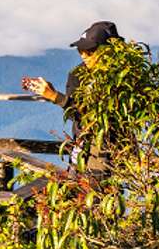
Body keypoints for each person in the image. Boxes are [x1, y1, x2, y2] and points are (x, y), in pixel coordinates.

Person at [27, 20, 121, 170]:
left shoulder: (121, 78)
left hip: (106, 153)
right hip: (81, 150)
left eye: (90, 51)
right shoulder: (77, 75)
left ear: (108, 50)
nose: (83, 55)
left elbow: (98, 118)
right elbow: (75, 115)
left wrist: (56, 97)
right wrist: (54, 96)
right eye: (80, 50)